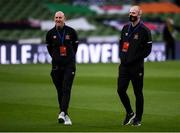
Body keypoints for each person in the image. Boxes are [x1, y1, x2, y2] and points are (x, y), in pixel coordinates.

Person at [117, 5, 152, 126]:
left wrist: (136, 58)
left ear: (139, 15)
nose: (131, 15)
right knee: (120, 90)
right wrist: (121, 56)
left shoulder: (144, 30)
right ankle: (129, 112)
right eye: (130, 12)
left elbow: (148, 49)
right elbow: (121, 43)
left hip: (137, 67)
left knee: (138, 92)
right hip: (124, 66)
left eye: (134, 13)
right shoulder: (125, 28)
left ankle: (138, 118)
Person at [46, 11, 79, 125]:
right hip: (56, 66)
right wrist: (57, 58)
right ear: (54, 19)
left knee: (66, 88)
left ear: (64, 18)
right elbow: (50, 49)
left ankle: (62, 112)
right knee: (60, 91)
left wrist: (68, 58)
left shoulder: (71, 31)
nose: (58, 19)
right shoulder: (50, 33)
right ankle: (65, 115)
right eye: (56, 17)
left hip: (69, 65)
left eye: (60, 17)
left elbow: (75, 47)